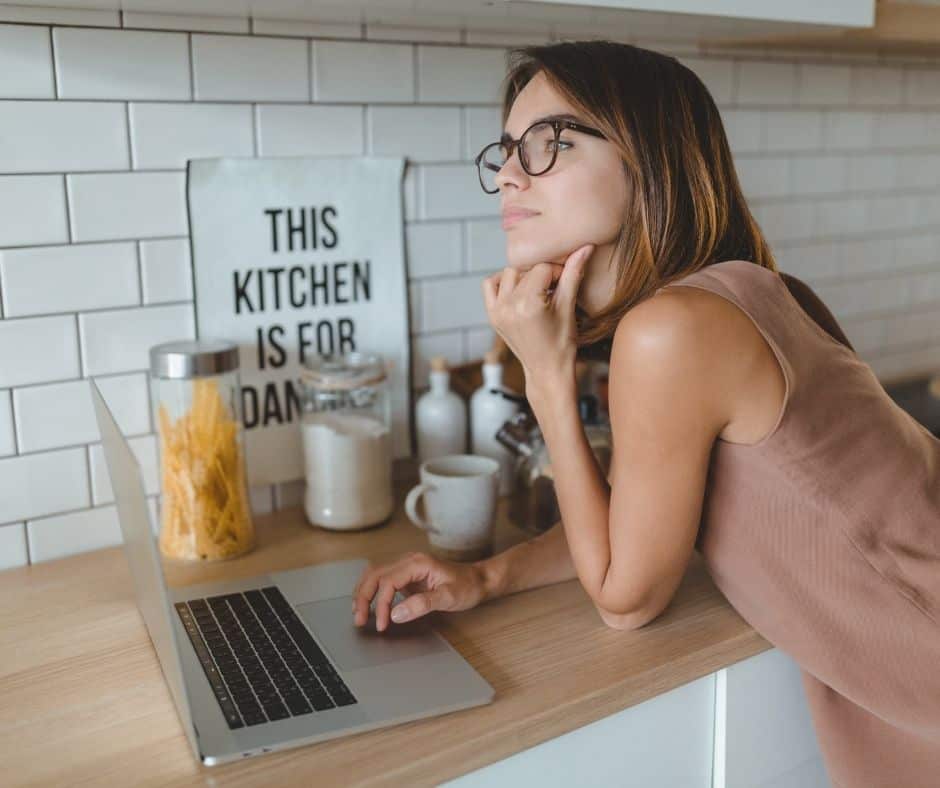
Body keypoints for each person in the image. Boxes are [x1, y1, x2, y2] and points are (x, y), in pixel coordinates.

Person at [352, 40, 940, 787]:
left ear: (647, 159)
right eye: (505, 150)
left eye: (547, 144)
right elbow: (639, 518)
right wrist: (487, 579)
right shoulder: (742, 291)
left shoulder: (670, 331)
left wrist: (546, 375)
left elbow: (626, 598)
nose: (506, 174)